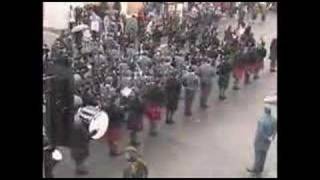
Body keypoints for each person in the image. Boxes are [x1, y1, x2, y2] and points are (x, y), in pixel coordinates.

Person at [247, 105, 277, 176]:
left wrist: (266, 137)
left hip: (259, 141)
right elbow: (275, 130)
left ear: (265, 111)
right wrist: (272, 137)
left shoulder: (261, 120)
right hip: (267, 142)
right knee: (264, 154)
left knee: (258, 155)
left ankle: (255, 169)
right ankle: (261, 168)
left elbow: (260, 131)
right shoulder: (274, 120)